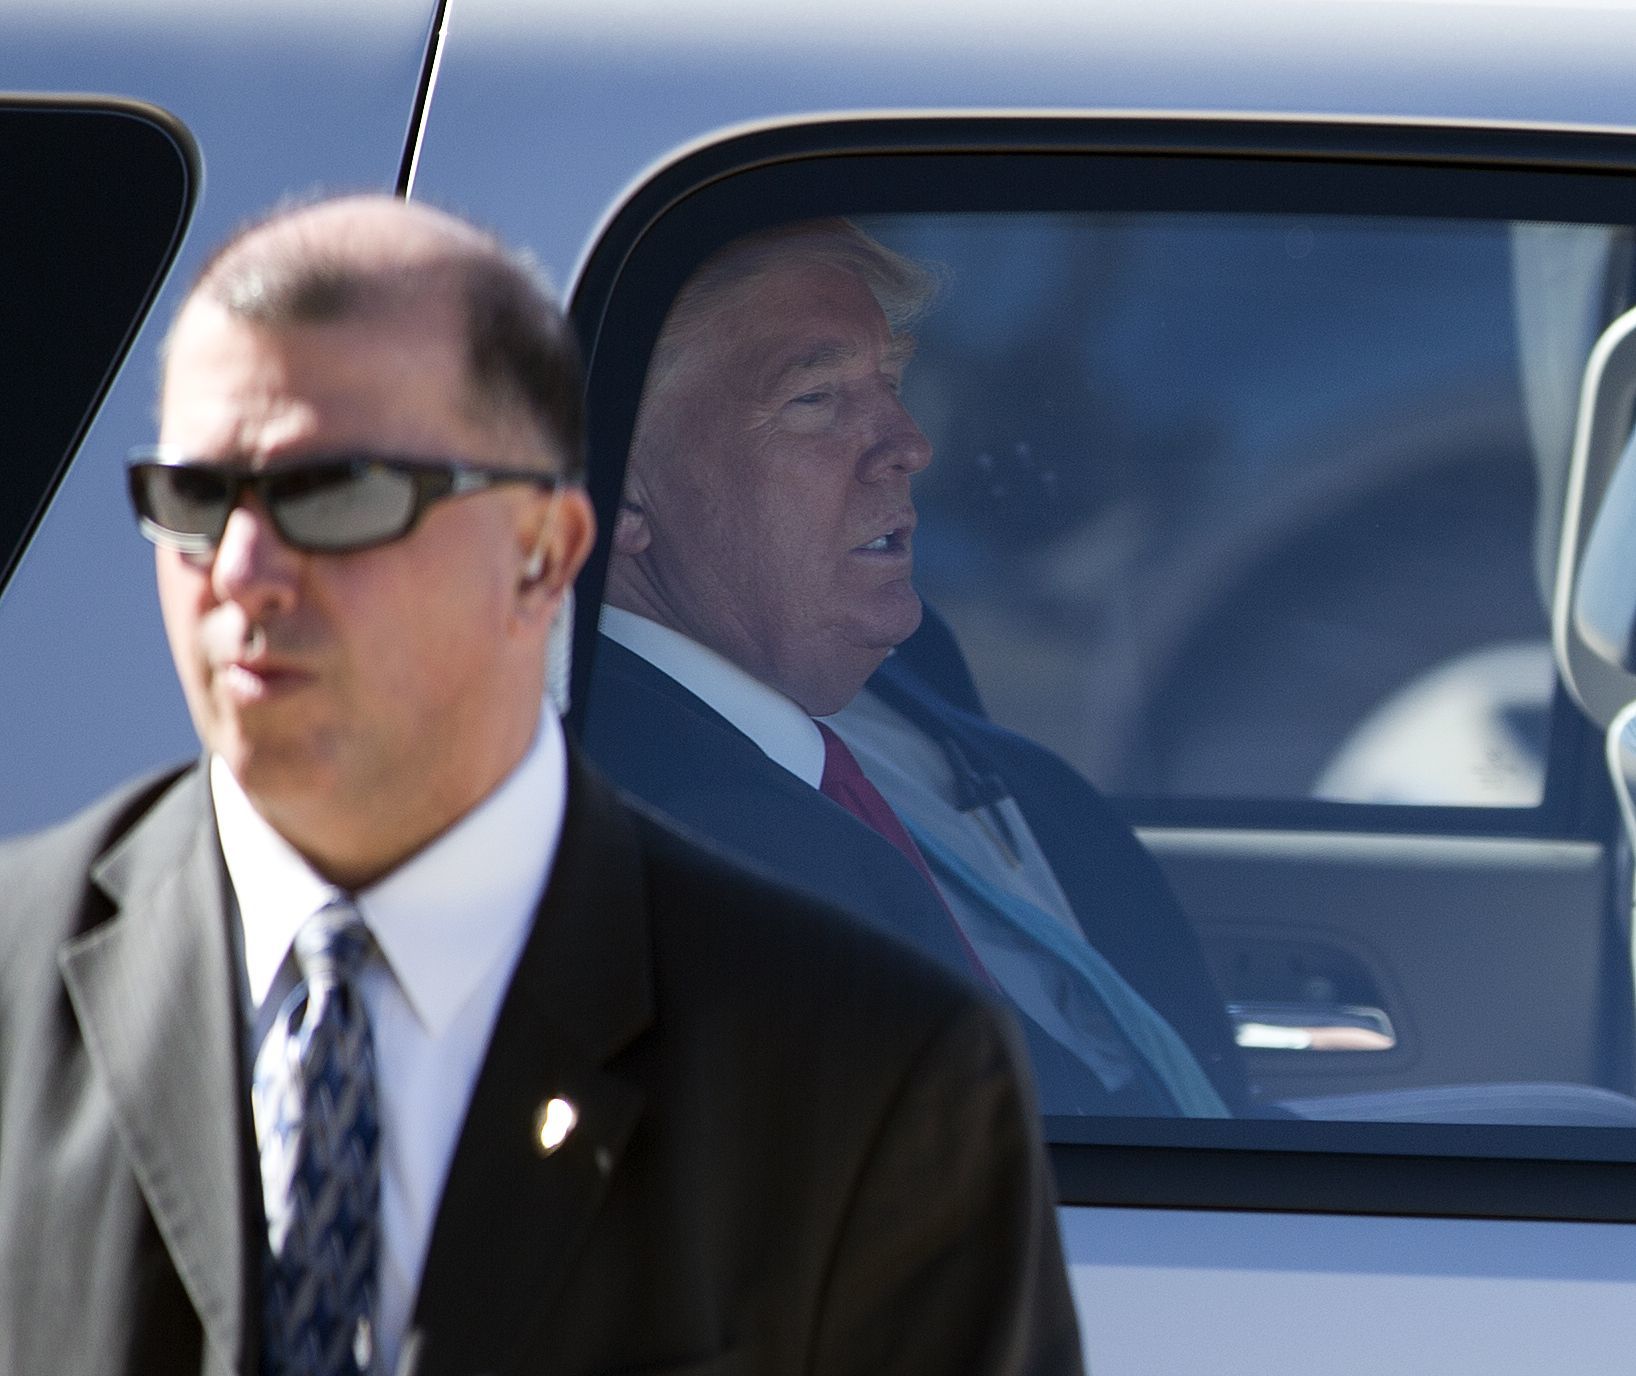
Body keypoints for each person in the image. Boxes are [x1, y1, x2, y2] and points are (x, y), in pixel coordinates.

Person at [0, 196, 1083, 1376]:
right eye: (197, 499)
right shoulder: (16, 977)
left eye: (339, 495)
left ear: (541, 552)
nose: (247, 570)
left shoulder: (878, 1067)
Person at [585, 219, 1253, 1119]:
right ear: (622, 485)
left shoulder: (890, 688)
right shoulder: (656, 838)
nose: (908, 443)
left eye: (891, 382)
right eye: (817, 399)